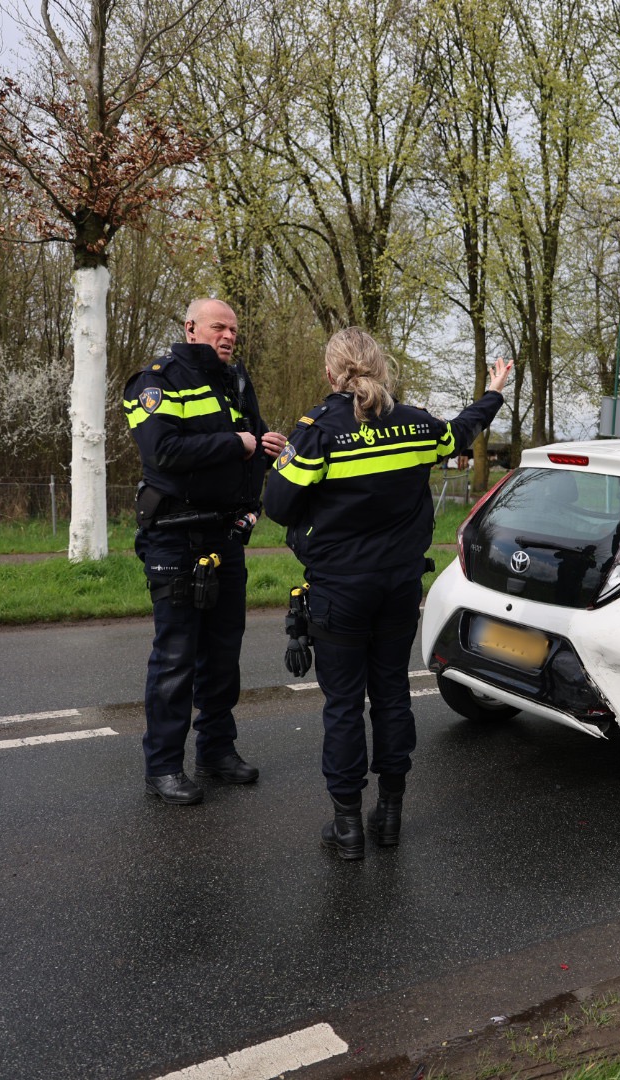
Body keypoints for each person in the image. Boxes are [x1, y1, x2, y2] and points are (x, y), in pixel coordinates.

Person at [264, 327, 510, 860]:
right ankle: (391, 816)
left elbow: (277, 505)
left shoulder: (318, 430)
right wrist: (493, 393)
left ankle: (348, 826)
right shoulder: (416, 423)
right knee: (393, 695)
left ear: (331, 372)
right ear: (380, 367)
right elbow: (460, 432)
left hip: (339, 591)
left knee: (344, 706)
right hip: (399, 587)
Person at [121, 298, 288, 805]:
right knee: (175, 657)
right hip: (174, 536)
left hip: (224, 535)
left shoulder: (235, 380)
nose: (229, 336)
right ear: (190, 327)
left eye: (233, 329)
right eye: (219, 327)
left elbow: (254, 442)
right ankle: (163, 767)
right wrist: (237, 444)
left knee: (223, 653)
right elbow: (162, 452)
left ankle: (216, 750)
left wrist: (257, 481)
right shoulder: (156, 381)